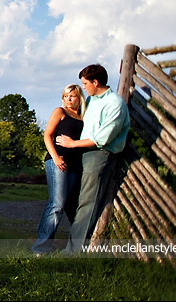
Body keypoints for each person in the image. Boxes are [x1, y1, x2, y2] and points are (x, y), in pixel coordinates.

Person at [55, 63, 130, 253]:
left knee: (88, 202)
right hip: (83, 154)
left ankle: (73, 251)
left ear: (95, 82)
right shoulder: (92, 101)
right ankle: (78, 244)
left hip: (99, 154)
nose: (84, 87)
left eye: (85, 83)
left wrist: (72, 144)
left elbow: (102, 138)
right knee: (72, 199)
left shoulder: (115, 104)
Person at [31, 84, 86, 255]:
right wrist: (55, 158)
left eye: (72, 96)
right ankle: (41, 248)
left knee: (71, 205)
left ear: (79, 98)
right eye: (65, 96)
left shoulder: (83, 117)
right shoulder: (60, 112)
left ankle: (79, 246)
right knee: (57, 203)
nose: (68, 99)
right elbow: (47, 135)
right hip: (58, 161)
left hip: (75, 164)